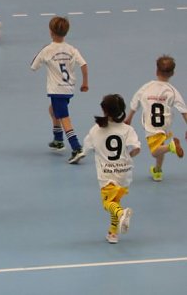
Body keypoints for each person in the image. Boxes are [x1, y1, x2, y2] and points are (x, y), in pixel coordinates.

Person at [30, 16, 90, 164]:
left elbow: (33, 66)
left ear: (51, 32)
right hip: (68, 88)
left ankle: (76, 148)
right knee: (52, 110)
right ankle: (58, 140)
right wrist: (85, 83)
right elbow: (84, 65)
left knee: (64, 117)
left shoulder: (47, 50)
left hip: (56, 90)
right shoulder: (71, 49)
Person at [83, 94, 141, 244]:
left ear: (104, 110)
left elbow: (85, 148)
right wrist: (128, 156)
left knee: (107, 203)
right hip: (124, 173)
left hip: (107, 174)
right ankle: (113, 233)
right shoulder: (127, 129)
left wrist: (81, 154)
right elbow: (136, 149)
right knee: (114, 200)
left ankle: (121, 214)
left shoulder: (96, 130)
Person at [125, 55, 186, 182]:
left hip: (151, 126)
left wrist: (129, 117)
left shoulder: (146, 87)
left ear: (156, 71)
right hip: (164, 124)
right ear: (172, 73)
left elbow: (135, 102)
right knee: (160, 145)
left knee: (154, 151)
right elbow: (183, 111)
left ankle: (172, 147)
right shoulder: (172, 91)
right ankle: (158, 170)